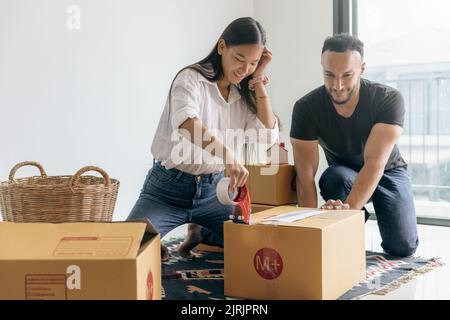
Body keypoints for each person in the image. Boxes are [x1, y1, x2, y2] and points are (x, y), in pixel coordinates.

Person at [127, 17, 278, 260]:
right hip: (166, 190)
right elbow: (188, 124)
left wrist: (258, 81)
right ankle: (169, 235)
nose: (244, 69)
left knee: (259, 250)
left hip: (213, 192)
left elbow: (266, 136)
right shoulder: (190, 79)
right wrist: (228, 156)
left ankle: (200, 231)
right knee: (130, 247)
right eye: (239, 58)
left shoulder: (243, 91)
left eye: (253, 63)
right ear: (221, 48)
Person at [290, 33, 419, 257]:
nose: (337, 85)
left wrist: (346, 212)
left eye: (347, 75)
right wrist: (308, 227)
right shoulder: (305, 108)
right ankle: (349, 233)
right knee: (332, 178)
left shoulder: (388, 99)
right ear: (322, 67)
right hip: (344, 174)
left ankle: (352, 217)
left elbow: (375, 163)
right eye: (329, 75)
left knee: (402, 247)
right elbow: (305, 175)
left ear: (362, 69)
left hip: (387, 171)